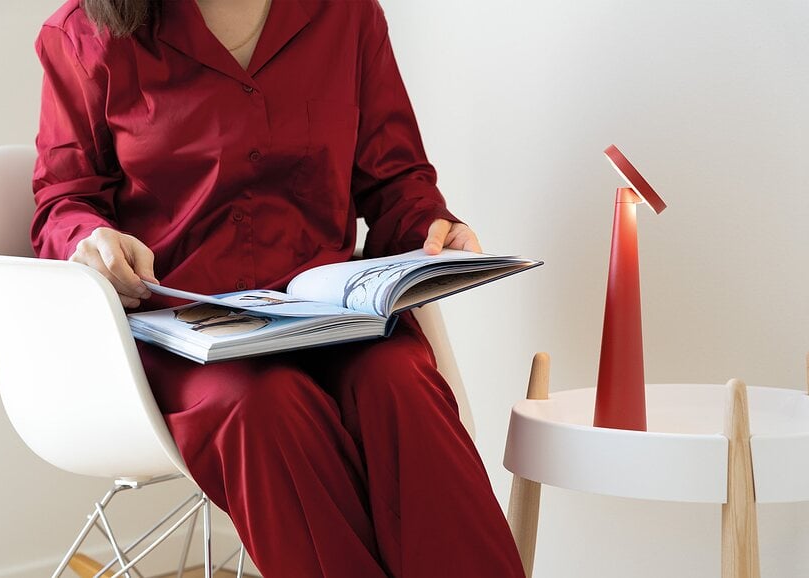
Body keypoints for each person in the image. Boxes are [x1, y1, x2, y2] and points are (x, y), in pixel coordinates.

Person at [32, 0, 527, 576]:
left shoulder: (348, 15)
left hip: (333, 320)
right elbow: (63, 199)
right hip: (188, 337)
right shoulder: (82, 33)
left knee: (401, 383)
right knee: (264, 407)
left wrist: (431, 228)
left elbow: (395, 179)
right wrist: (91, 240)